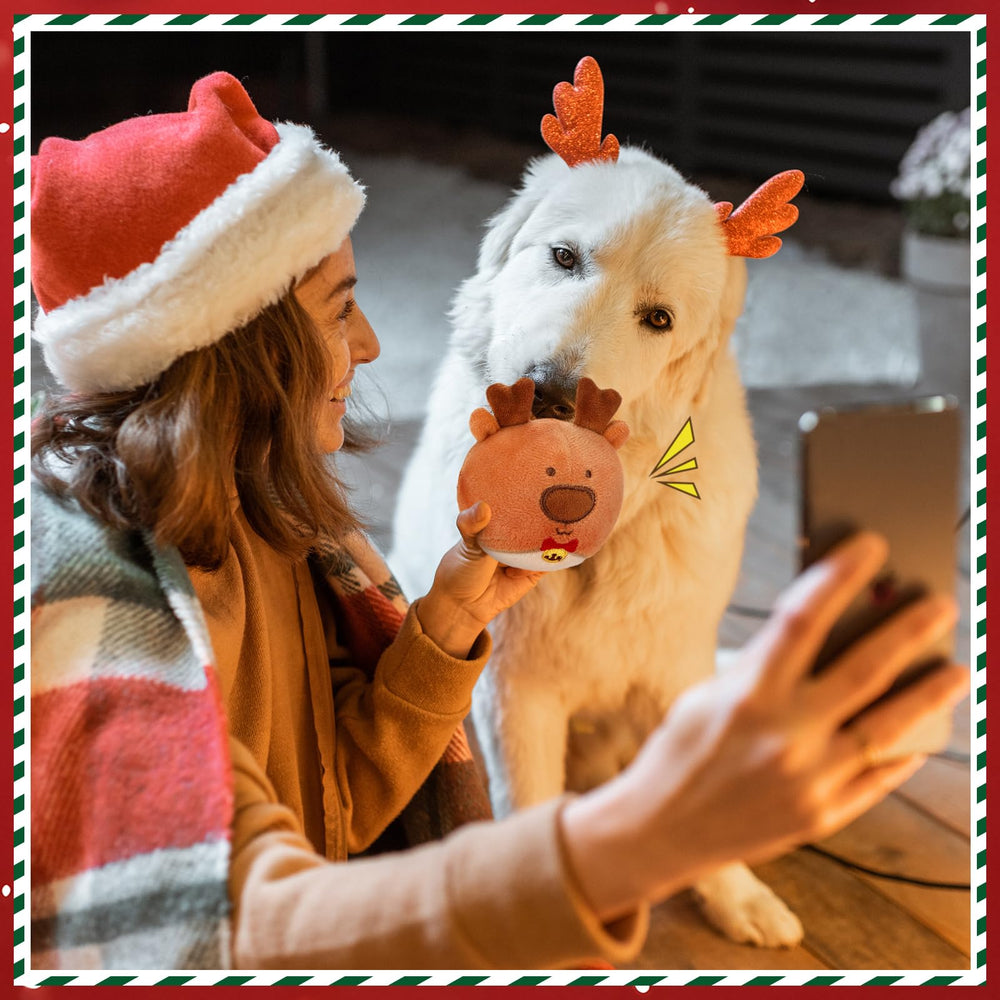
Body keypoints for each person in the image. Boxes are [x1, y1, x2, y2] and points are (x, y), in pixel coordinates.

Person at [29, 72, 968, 971]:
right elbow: (223, 929)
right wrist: (643, 839)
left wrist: (441, 630)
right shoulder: (106, 614)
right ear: (233, 344)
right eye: (343, 308)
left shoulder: (281, 518)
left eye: (651, 318)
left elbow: (326, 802)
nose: (373, 343)